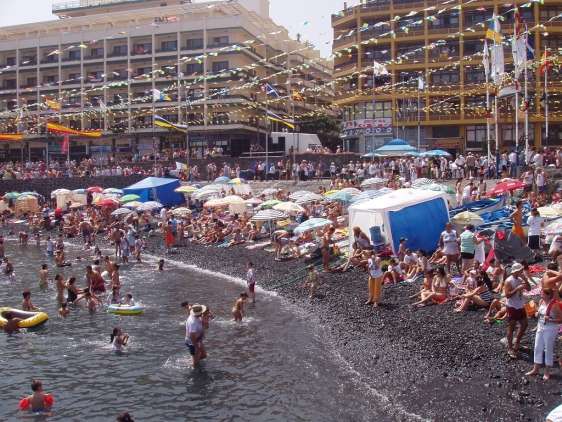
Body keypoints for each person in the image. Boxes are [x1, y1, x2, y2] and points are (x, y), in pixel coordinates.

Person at [525, 288, 562, 380]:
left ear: (549, 295)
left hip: (550, 329)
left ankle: (547, 371)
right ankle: (535, 369)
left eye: (542, 293)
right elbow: (541, 313)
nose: (540, 294)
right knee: (537, 347)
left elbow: (560, 320)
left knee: (548, 349)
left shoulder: (555, 305)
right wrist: (536, 313)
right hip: (540, 327)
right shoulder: (541, 301)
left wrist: (550, 319)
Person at [504, 262, 531, 358]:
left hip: (520, 305)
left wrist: (525, 280)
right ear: (515, 271)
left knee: (524, 324)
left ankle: (517, 342)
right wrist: (517, 289)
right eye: (520, 271)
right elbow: (507, 295)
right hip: (512, 306)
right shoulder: (509, 281)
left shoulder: (520, 279)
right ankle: (510, 348)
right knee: (511, 327)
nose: (521, 272)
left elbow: (529, 289)